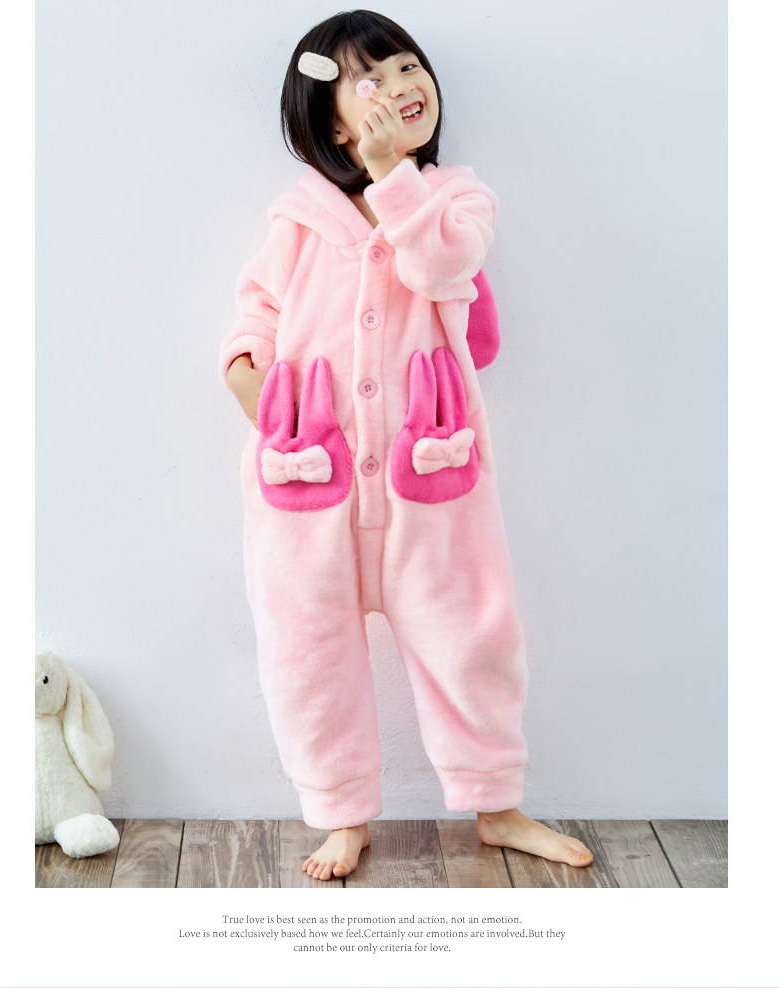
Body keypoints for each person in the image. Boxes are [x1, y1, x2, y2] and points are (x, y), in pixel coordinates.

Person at [220, 9, 593, 881]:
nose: (399, 86)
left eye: (407, 67)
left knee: (472, 637)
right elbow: (255, 310)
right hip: (309, 481)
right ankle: (341, 816)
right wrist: (254, 387)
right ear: (332, 123)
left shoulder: (457, 199)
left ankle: (497, 806)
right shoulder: (300, 219)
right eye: (371, 79)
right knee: (308, 654)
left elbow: (440, 267)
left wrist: (394, 174)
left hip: (434, 475)